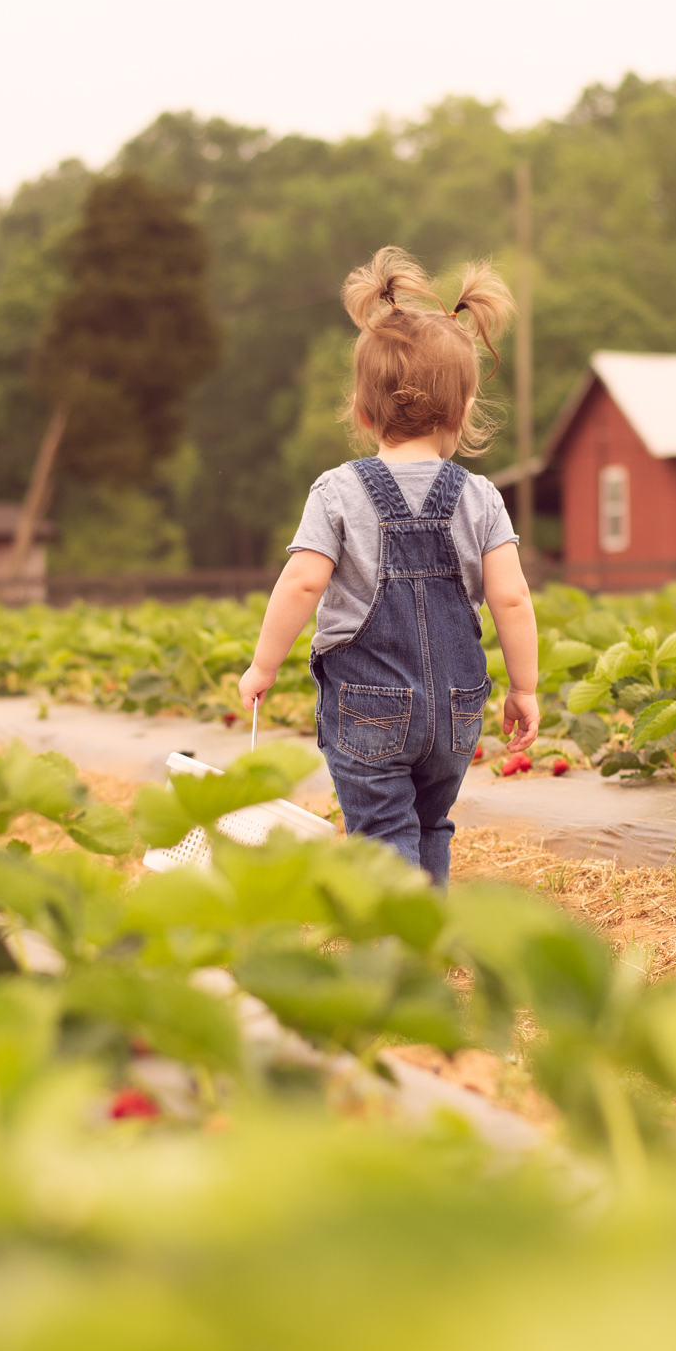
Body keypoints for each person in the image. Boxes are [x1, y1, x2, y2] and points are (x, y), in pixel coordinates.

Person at [237, 247, 539, 888]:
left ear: (365, 412)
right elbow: (511, 599)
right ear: (461, 413)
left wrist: (264, 664)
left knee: (383, 833)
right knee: (430, 824)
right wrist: (525, 688)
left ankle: (399, 950)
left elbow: (303, 580)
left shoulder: (338, 491)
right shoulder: (481, 496)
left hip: (369, 706)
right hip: (455, 711)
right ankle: (424, 935)